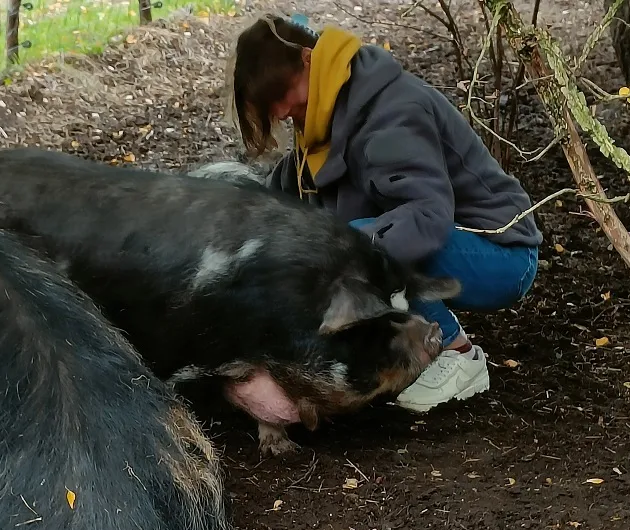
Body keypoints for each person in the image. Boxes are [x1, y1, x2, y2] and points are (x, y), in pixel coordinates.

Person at [226, 14, 543, 413]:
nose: (282, 110)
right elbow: (297, 181)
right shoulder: (331, 110)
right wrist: (235, 203)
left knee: (354, 242)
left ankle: (458, 353)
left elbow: (428, 216)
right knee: (348, 241)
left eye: (281, 93)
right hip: (457, 247)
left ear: (308, 59)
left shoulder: (392, 114)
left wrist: (346, 262)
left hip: (502, 253)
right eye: (272, 103)